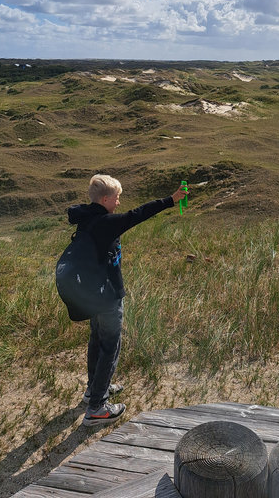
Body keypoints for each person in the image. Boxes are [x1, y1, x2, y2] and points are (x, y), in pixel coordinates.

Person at [56, 174, 188, 427]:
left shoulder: (87, 217)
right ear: (105, 199)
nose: (118, 203)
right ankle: (97, 408)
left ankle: (94, 390)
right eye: (116, 198)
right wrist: (171, 200)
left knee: (97, 341)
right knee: (109, 347)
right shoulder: (105, 223)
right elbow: (137, 215)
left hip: (93, 295)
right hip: (107, 298)